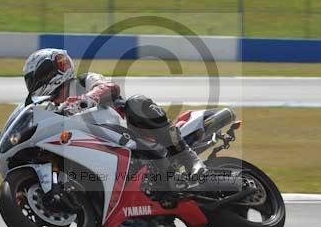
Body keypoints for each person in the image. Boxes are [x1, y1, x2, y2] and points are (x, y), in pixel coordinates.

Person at [21, 48, 207, 190]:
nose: (35, 83)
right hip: (90, 148)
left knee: (137, 103)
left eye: (39, 77)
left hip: (126, 131)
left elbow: (109, 86)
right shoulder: (45, 106)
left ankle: (189, 159)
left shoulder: (83, 82)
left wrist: (88, 98)